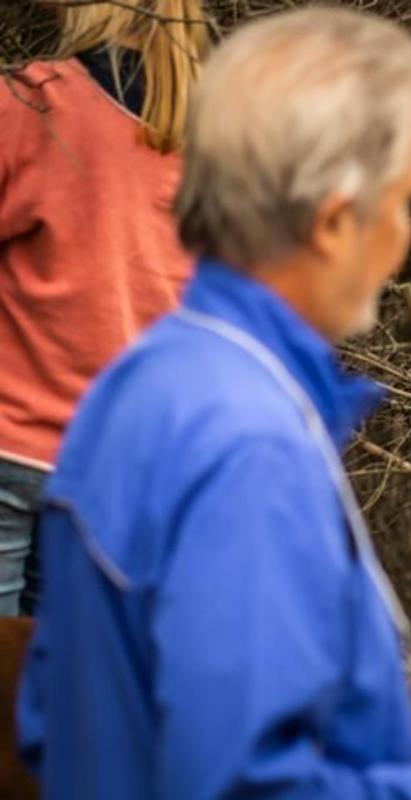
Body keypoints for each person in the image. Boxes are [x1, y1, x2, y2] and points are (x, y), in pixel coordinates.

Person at [17, 8, 411, 800]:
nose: (401, 237)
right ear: (332, 223)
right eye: (401, 204)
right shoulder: (247, 443)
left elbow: (49, 723)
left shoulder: (140, 383)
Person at [0, 0, 208, 616]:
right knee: (63, 699)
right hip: (122, 470)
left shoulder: (37, 106)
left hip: (12, 443)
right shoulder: (216, 145)